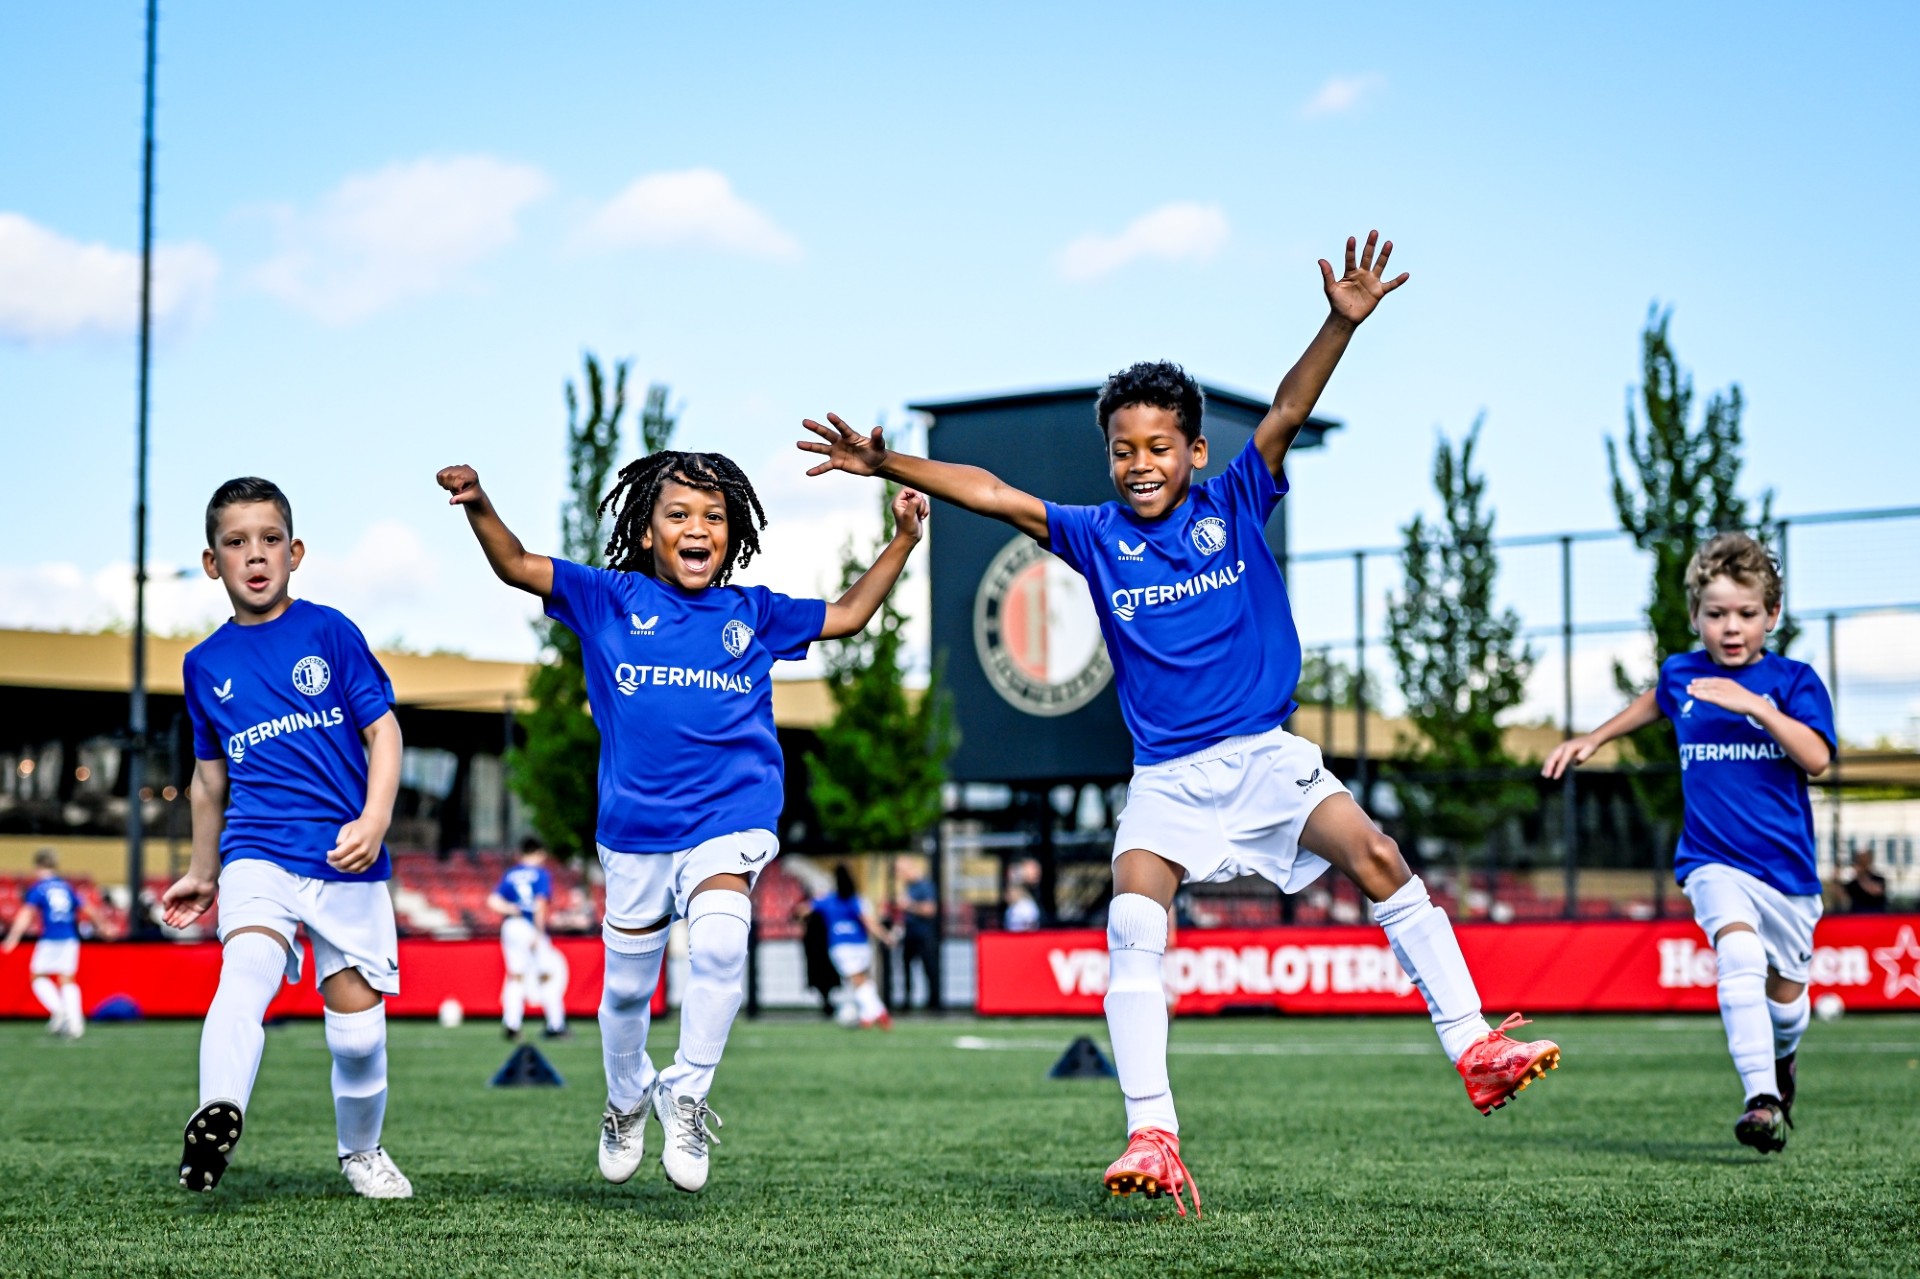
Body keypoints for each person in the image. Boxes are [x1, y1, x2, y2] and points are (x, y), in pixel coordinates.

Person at [800, 231, 1560, 1216]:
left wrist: (1340, 323)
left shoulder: (1236, 500)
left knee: (1378, 856)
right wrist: (883, 462)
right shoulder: (1094, 534)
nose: (1140, 463)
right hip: (1166, 779)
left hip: (1267, 758)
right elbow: (990, 492)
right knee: (1131, 920)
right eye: (1123, 449)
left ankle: (1473, 1045)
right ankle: (1151, 1132)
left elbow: (1286, 412)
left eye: (1159, 446)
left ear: (1195, 452)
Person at [437, 451, 926, 1194]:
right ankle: (626, 1097)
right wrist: (478, 503)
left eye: (714, 517)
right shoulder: (608, 598)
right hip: (635, 831)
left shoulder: (752, 612)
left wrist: (904, 540)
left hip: (731, 815)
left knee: (723, 941)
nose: (698, 528)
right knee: (626, 993)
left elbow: (850, 614)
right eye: (679, 514)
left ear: (731, 534)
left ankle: (687, 1092)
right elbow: (515, 564)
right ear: (647, 533)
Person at [161, 478, 413, 1198]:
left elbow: (384, 732)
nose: (255, 554)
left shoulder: (329, 631)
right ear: (212, 562)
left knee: (359, 1037)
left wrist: (374, 819)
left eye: (269, 539)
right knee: (245, 971)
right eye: (236, 542)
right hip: (257, 851)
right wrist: (203, 871)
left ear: (294, 552)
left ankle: (361, 1152)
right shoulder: (204, 665)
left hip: (343, 855)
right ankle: (217, 1112)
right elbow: (208, 780)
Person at [1546, 532, 1833, 1155]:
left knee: (1788, 1005)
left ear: (1772, 615)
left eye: (1746, 613)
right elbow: (1657, 699)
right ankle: (1761, 1099)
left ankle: (1782, 1061)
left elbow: (1817, 759)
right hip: (1711, 860)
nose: (1731, 627)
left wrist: (1756, 706)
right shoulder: (1683, 672)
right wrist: (1594, 738)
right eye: (1716, 613)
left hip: (1787, 874)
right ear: (1696, 616)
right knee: (1738, 953)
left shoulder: (1794, 681)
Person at [2, 848, 94, 1039]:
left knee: (37, 976)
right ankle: (75, 1023)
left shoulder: (39, 887)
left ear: (38, 866)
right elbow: (87, 908)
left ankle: (59, 1010)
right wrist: (105, 926)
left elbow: (27, 913)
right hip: (70, 937)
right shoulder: (66, 886)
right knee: (67, 979)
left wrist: (13, 937)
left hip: (50, 938)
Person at [488, 837, 567, 1039]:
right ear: (539, 853)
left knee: (516, 975)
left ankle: (511, 1023)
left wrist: (512, 909)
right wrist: (538, 932)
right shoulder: (541, 873)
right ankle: (555, 1024)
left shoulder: (511, 874)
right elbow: (540, 903)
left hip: (511, 926)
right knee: (547, 975)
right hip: (530, 925)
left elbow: (493, 901)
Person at [805, 864, 902, 1029]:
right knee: (862, 980)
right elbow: (869, 922)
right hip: (861, 945)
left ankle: (879, 1012)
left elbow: (802, 910)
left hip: (841, 947)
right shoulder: (855, 900)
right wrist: (885, 936)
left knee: (857, 981)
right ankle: (867, 1016)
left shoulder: (827, 900)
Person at [892, 855, 941, 1008]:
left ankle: (934, 1002)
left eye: (901, 870)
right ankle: (907, 1001)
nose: (899, 874)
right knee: (906, 968)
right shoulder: (908, 887)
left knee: (929, 968)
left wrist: (909, 905)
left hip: (924, 934)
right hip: (910, 933)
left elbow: (930, 910)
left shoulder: (925, 885)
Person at [1843, 848, 1887, 914]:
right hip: (1857, 916)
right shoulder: (1852, 884)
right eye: (1860, 861)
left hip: (1876, 915)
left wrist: (1862, 877)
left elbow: (1877, 891)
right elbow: (1843, 898)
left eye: (1865, 860)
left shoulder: (1878, 879)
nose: (1863, 863)